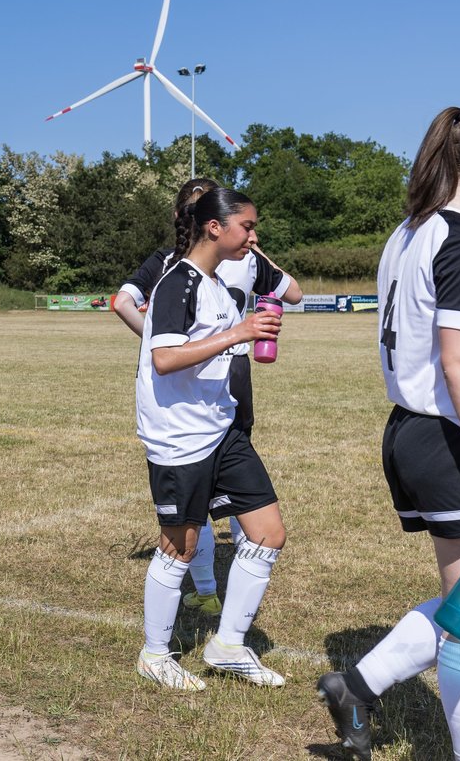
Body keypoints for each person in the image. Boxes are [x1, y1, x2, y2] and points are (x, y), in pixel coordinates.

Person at [318, 103, 460, 761]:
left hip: (418, 430)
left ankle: (359, 684)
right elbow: (457, 361)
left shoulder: (409, 233)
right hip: (452, 438)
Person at [116, 179, 303, 617]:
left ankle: (230, 639)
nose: (254, 237)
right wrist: (235, 333)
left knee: (264, 528)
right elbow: (164, 357)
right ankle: (164, 643)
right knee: (183, 539)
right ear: (212, 225)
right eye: (248, 226)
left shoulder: (218, 279)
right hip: (185, 426)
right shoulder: (175, 276)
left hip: (222, 412)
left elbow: (288, 294)